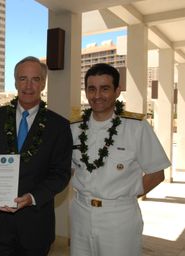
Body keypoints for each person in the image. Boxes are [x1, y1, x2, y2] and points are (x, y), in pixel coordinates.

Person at [70, 63, 171, 256]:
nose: (97, 95)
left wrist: (127, 195)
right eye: (92, 89)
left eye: (105, 88)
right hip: (80, 212)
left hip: (119, 215)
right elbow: (69, 169)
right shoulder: (73, 128)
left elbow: (157, 173)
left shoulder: (136, 127)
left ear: (117, 91)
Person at [0, 56, 72, 256]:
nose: (29, 85)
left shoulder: (59, 126)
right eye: (23, 78)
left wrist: (32, 198)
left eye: (35, 79)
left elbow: (61, 174)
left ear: (43, 83)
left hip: (35, 226)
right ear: (15, 82)